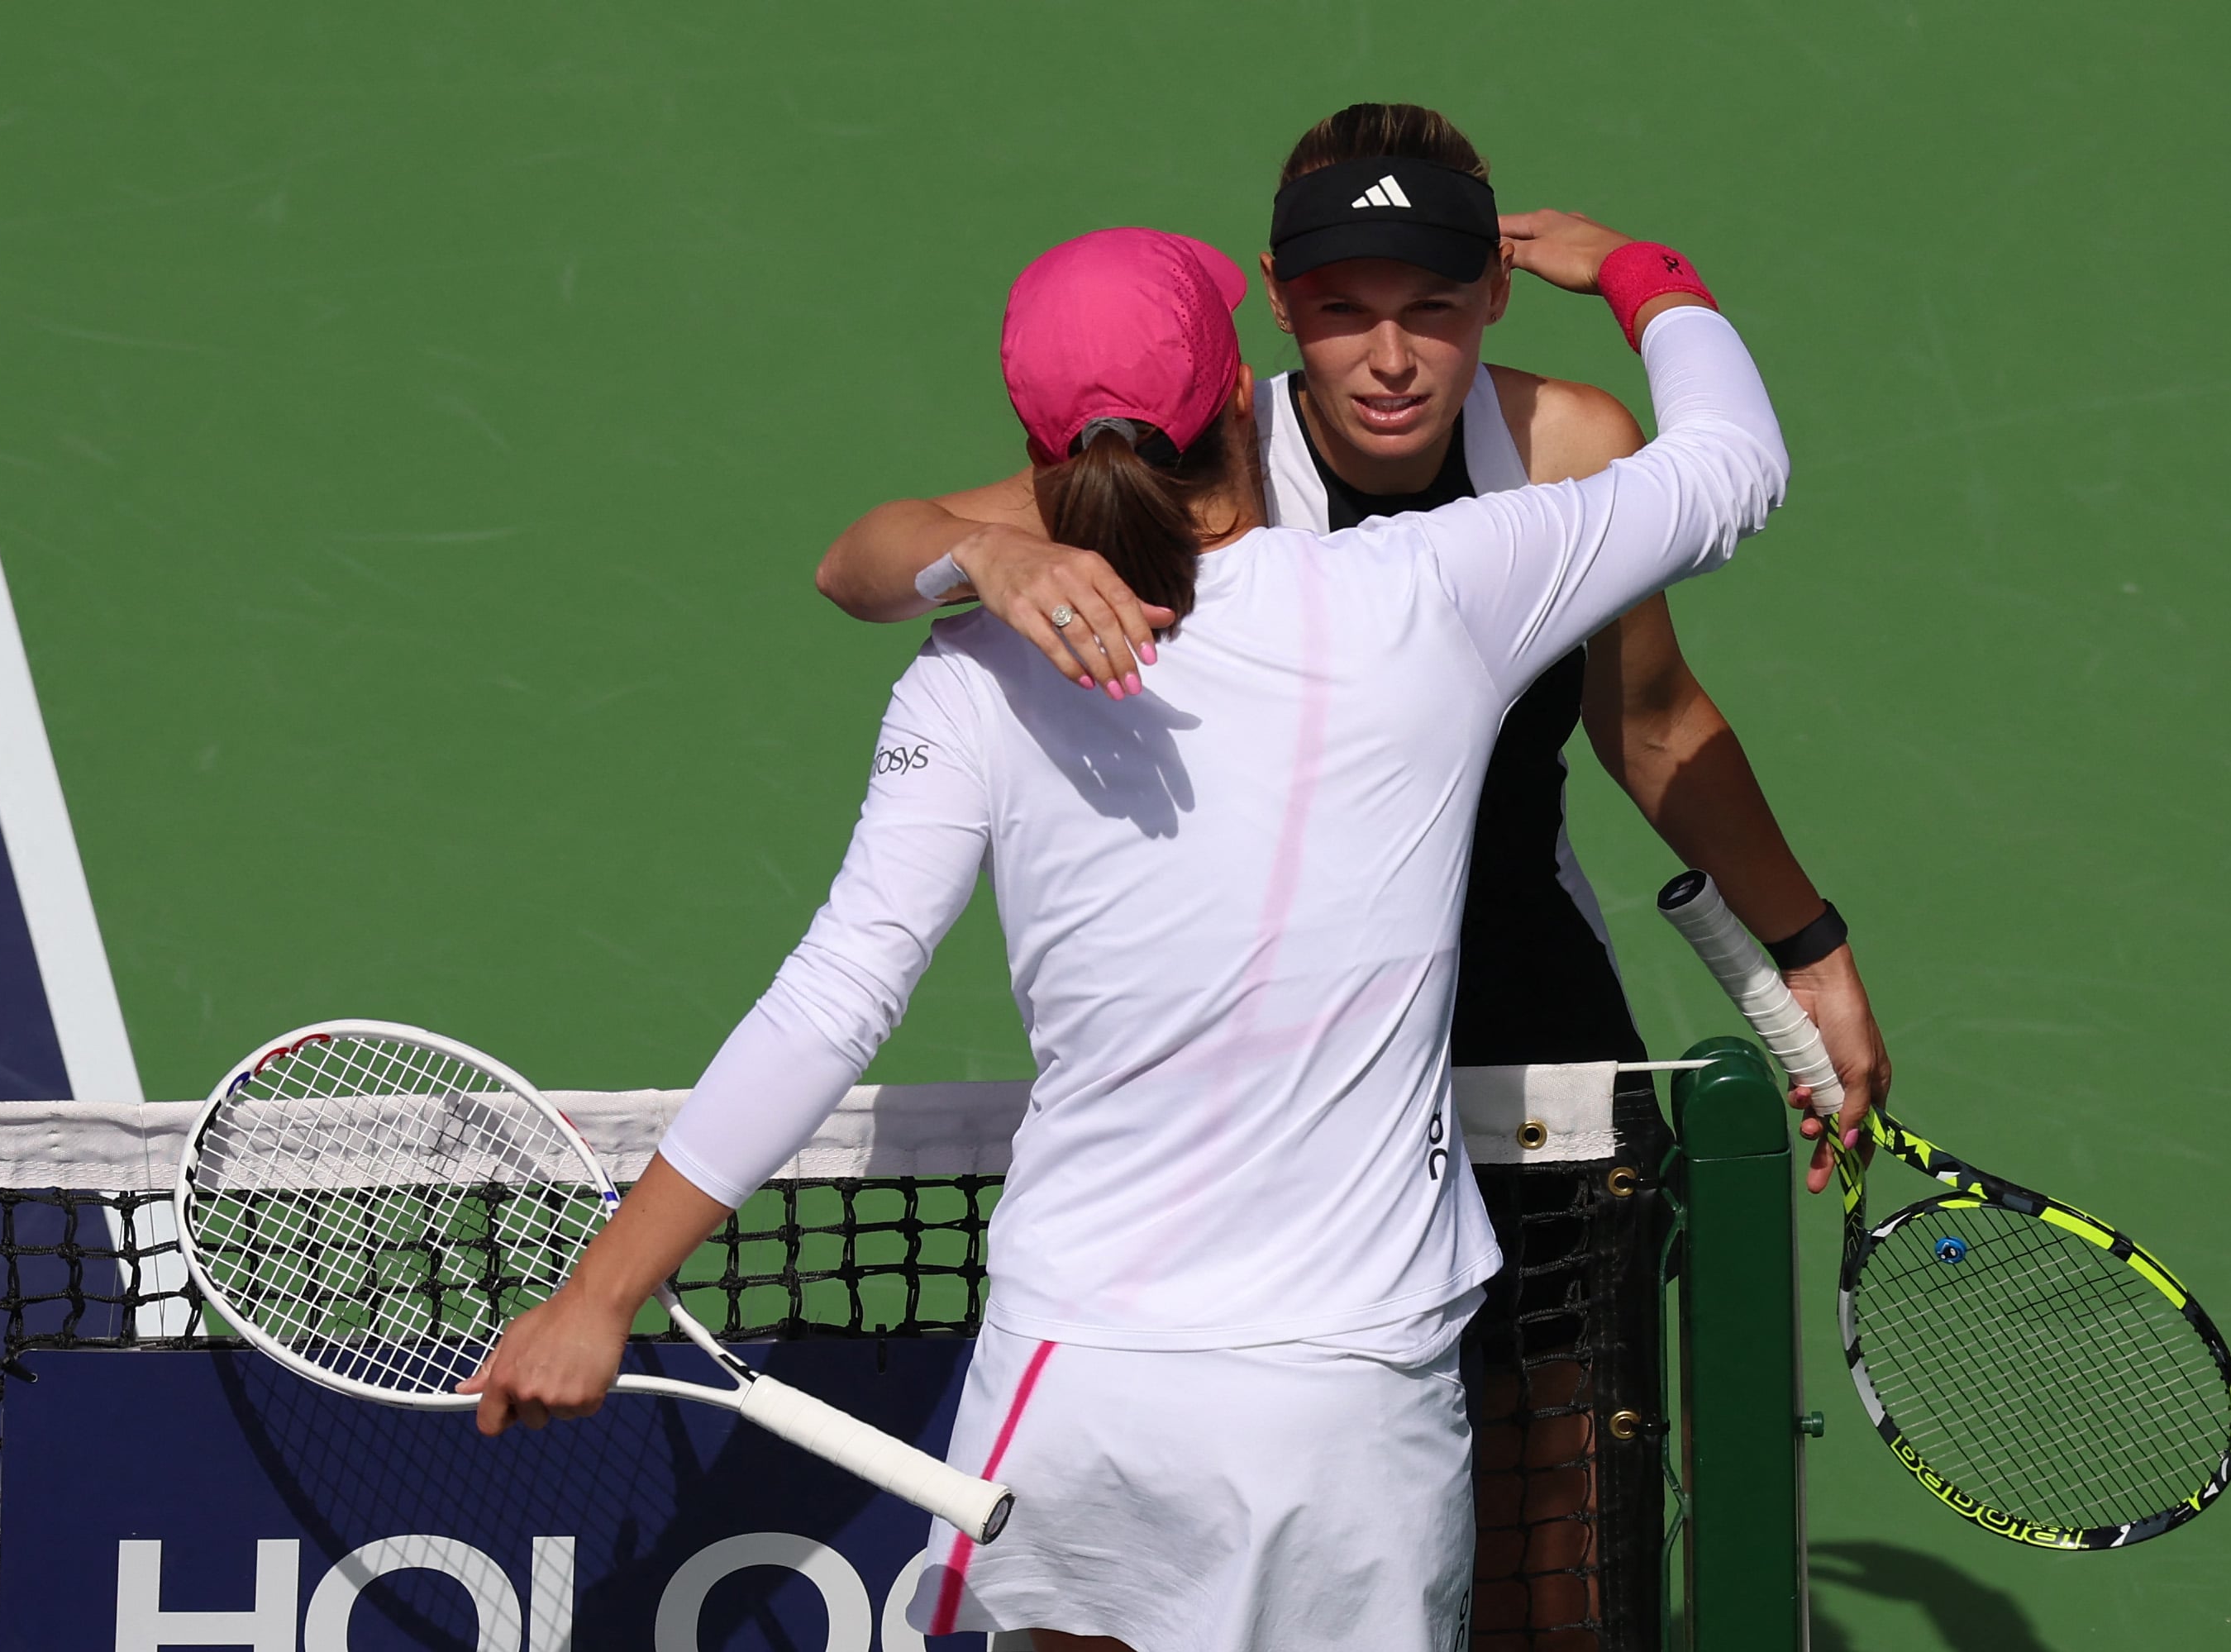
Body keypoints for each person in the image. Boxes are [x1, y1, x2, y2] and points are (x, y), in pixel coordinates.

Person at [467, 206, 1790, 1652]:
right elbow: (1732, 468)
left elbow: (835, 994)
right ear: (1240, 392)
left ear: (1036, 453)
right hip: (1343, 1404)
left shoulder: (968, 673)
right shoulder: (1435, 591)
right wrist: (1640, 278)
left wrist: (603, 1292)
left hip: (1078, 1388)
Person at [811, 102, 1886, 1641]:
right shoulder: (1190, 471)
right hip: (1276, 1097)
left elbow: (1646, 720)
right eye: (1343, 313)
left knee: (1551, 1546)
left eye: (1432, 309)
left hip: (1525, 1036)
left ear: (1491, 299)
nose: (1389, 358)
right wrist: (985, 551)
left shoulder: (1565, 447)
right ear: (1274, 301)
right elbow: (863, 560)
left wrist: (1805, 950)